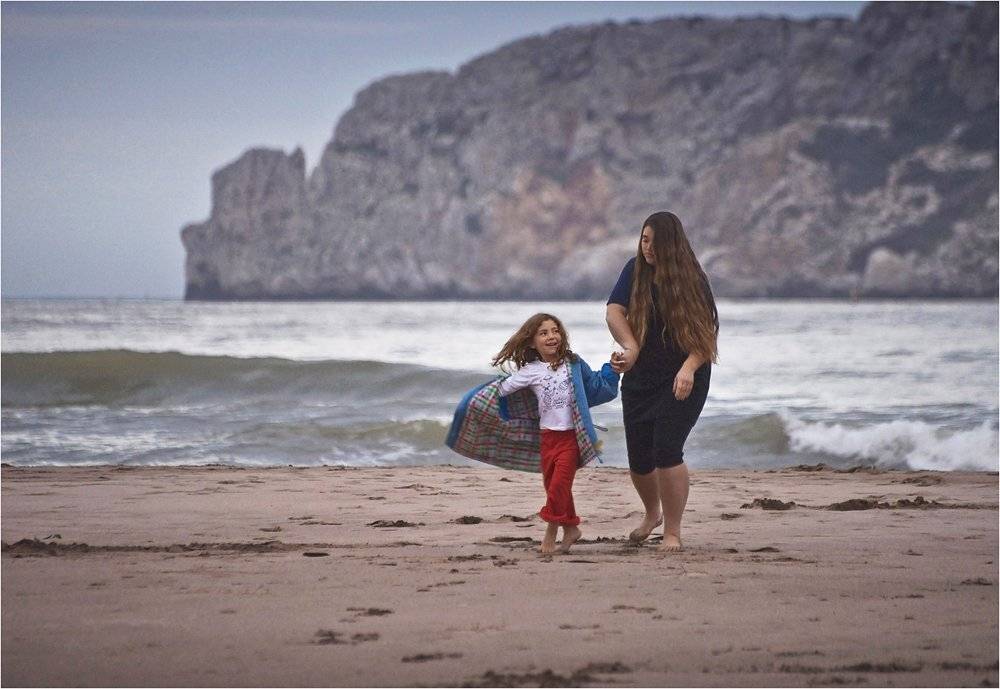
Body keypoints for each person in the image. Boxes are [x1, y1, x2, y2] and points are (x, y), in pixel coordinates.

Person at [446, 313, 619, 554]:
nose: (551, 336)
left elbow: (597, 388)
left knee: (559, 486)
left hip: (571, 437)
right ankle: (571, 529)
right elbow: (501, 390)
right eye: (543, 333)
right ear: (532, 342)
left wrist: (612, 369)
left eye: (555, 331)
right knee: (554, 487)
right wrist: (476, 403)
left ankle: (551, 534)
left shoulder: (574, 364)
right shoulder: (531, 371)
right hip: (547, 439)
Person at [606, 212, 719, 552]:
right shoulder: (634, 269)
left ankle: (672, 531)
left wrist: (688, 369)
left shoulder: (692, 278)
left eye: (655, 242)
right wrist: (631, 348)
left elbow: (707, 334)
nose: (648, 248)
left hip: (683, 375)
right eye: (644, 240)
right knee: (639, 459)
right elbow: (614, 310)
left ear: (672, 245)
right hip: (641, 375)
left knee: (667, 451)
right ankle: (651, 513)